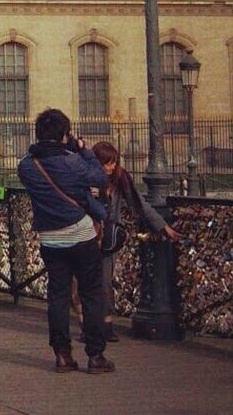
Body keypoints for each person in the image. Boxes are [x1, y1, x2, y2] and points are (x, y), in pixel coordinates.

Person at [17, 108, 114, 375]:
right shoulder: (73, 162)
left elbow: (32, 158)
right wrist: (82, 149)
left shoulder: (26, 165)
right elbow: (99, 177)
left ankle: (62, 354)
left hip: (51, 239)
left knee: (57, 297)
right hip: (82, 236)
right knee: (91, 294)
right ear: (63, 135)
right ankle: (95, 355)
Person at [92, 141, 180, 343]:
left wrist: (163, 227)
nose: (111, 167)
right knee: (88, 282)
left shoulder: (120, 178)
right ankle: (91, 323)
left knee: (104, 281)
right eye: (107, 163)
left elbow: (142, 205)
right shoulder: (88, 179)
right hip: (87, 236)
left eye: (113, 163)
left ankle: (106, 324)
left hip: (108, 238)